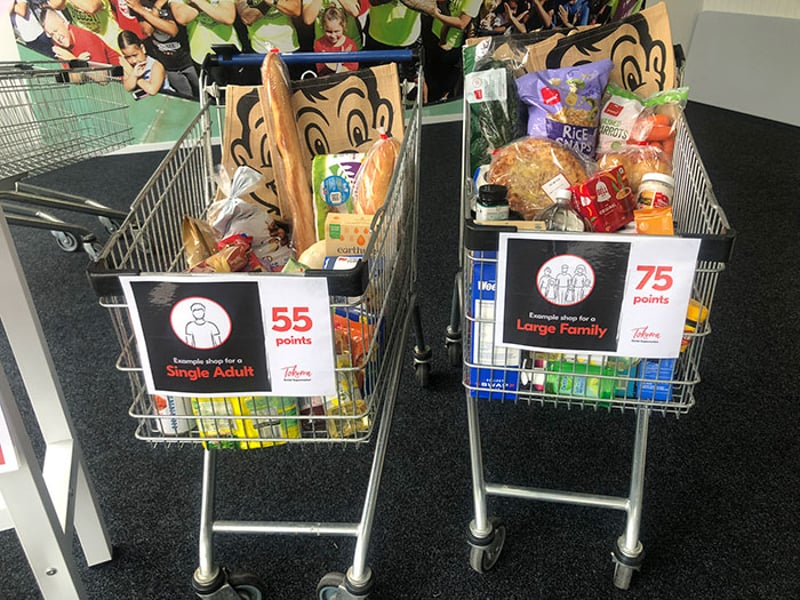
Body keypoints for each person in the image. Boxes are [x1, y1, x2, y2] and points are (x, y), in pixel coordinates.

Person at [126, 0, 199, 99]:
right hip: (169, 66)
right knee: (186, 97)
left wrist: (144, 11)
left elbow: (172, 30)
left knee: (202, 92)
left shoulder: (168, 2)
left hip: (189, 60)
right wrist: (154, 9)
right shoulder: (138, 3)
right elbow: (147, 30)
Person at [423, 0, 480, 103]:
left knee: (442, 87)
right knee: (428, 78)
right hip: (433, 35)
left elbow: (462, 23)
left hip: (449, 46)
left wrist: (436, 14)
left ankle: (435, 108)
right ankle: (426, 106)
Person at [170, 0, 242, 69]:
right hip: (201, 56)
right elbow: (183, 18)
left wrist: (197, 2)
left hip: (229, 52)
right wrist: (210, 7)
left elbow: (228, 18)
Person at [41, 5, 121, 64]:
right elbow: (75, 80)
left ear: (65, 23)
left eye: (56, 30)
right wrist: (77, 62)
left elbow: (103, 79)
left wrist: (74, 61)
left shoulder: (87, 39)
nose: (57, 37)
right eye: (52, 34)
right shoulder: (59, 44)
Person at [118, 29, 175, 96]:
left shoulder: (156, 66)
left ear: (142, 48)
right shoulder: (130, 66)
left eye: (135, 55)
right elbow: (127, 87)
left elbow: (152, 90)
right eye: (128, 57)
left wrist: (134, 75)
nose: (133, 60)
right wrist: (133, 75)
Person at [233, 0, 300, 54]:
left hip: (288, 47)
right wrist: (269, 3)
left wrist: (273, 2)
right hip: (260, 50)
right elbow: (247, 18)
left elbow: (295, 10)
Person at [313, 6, 358, 76]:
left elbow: (352, 69)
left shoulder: (350, 44)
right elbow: (321, 69)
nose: (333, 36)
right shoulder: (319, 44)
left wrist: (332, 64)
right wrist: (341, 61)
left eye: (337, 31)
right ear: (323, 27)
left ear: (343, 27)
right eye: (329, 32)